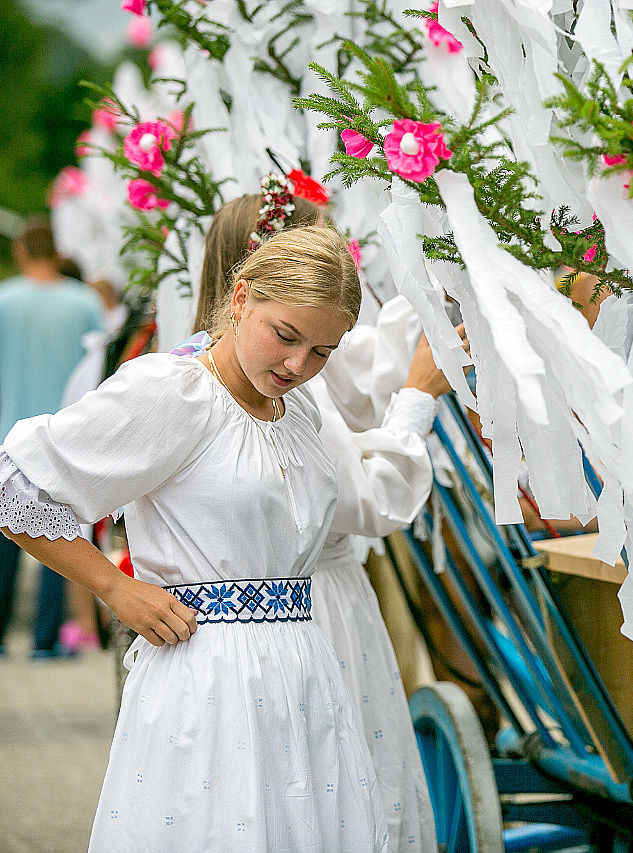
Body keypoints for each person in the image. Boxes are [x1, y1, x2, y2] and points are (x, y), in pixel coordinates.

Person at [0, 225, 388, 851]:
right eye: (286, 336)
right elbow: (14, 487)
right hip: (204, 673)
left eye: (322, 351)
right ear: (241, 298)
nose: (298, 366)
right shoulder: (174, 393)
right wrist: (116, 588)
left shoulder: (301, 410)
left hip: (303, 670)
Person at [185, 186, 453, 852]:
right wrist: (419, 396)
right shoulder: (268, 390)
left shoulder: (265, 369)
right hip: (312, 608)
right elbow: (365, 500)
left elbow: (360, 377)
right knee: (321, 795)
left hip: (285, 611)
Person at [0, 218, 103, 658]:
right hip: (64, 438)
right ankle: (45, 640)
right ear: (58, 253)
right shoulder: (84, 303)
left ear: (21, 251)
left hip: (7, 432)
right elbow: (99, 367)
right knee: (60, 535)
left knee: (5, 532)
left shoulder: (4, 300)